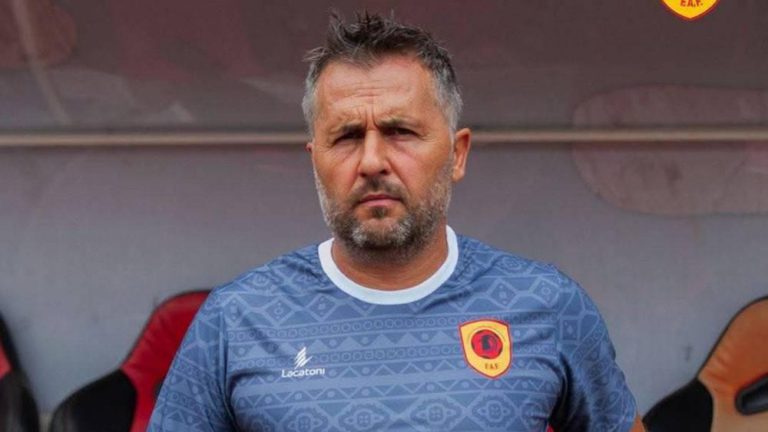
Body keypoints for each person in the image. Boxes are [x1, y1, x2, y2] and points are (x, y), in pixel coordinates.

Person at [149, 12, 644, 432]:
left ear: (457, 153)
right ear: (314, 158)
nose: (371, 161)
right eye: (346, 136)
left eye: (400, 131)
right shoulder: (237, 319)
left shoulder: (546, 305)